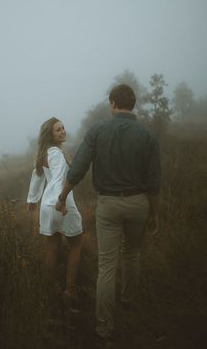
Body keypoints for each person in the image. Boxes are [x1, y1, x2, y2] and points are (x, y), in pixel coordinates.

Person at [56, 84, 161, 338]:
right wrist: (154, 214)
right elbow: (154, 183)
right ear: (132, 104)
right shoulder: (148, 136)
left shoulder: (97, 131)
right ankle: (128, 301)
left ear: (113, 103)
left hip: (109, 205)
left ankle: (104, 329)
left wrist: (62, 196)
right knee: (132, 254)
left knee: (106, 265)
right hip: (139, 204)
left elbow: (78, 169)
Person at [27, 117, 83, 305]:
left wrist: (32, 199)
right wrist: (61, 201)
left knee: (52, 246)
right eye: (58, 129)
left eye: (64, 128)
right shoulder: (57, 154)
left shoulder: (44, 153)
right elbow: (59, 178)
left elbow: (37, 176)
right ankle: (71, 290)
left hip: (47, 207)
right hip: (61, 203)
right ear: (50, 134)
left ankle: (50, 290)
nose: (63, 131)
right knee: (76, 244)